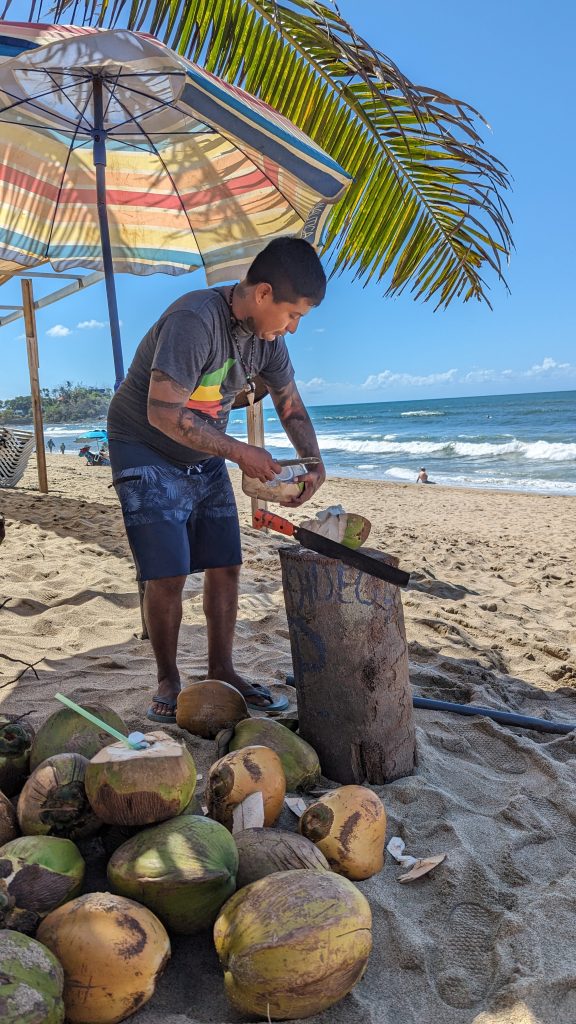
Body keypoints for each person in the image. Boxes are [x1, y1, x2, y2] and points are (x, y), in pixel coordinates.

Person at [107, 237, 326, 723]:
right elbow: (163, 413)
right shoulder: (195, 320)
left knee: (225, 563)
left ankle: (222, 669)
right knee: (167, 572)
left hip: (204, 450)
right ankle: (168, 678)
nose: (291, 328)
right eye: (293, 315)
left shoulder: (267, 340)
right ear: (264, 293)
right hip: (145, 444)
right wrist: (241, 452)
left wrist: (313, 460)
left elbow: (289, 402)